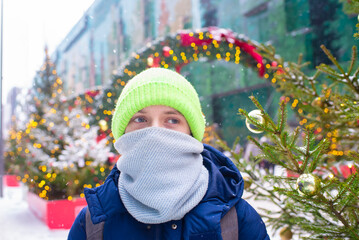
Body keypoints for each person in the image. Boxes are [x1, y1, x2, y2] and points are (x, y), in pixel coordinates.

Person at [68, 68, 270, 240]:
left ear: (191, 132)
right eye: (140, 119)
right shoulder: (92, 226)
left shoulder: (237, 219)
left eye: (172, 120)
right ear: (122, 134)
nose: (156, 131)